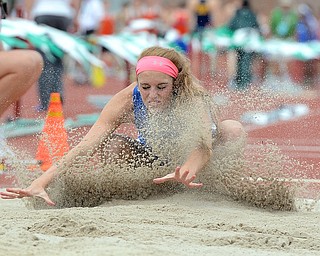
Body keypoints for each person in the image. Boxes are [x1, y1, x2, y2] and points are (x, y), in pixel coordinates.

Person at [0, 46, 246, 206]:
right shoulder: (126, 100)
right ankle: (145, 191)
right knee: (112, 146)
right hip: (154, 161)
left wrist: (188, 170)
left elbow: (204, 144)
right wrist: (42, 181)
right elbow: (87, 146)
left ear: (176, 83)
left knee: (233, 129)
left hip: (195, 164)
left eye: (161, 87)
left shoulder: (193, 97)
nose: (152, 96)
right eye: (145, 87)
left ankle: (214, 187)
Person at [24, 0, 81, 111]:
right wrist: (75, 17)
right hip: (63, 16)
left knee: (43, 60)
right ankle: (57, 97)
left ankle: (46, 101)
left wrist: (28, 16)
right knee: (57, 58)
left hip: (43, 14)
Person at [227, 0, 261, 90]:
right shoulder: (252, 14)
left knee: (239, 61)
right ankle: (245, 82)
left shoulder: (238, 14)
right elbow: (257, 26)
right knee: (247, 62)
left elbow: (231, 26)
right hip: (250, 41)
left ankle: (240, 82)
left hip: (240, 42)